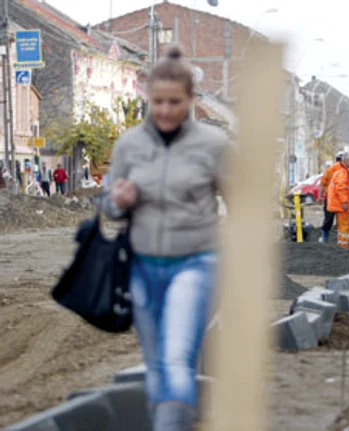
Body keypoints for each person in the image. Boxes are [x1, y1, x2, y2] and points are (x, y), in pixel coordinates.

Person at [102, 44, 229, 431]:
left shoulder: (213, 145)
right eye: (158, 102)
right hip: (142, 266)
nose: (166, 110)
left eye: (175, 101)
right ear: (147, 98)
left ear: (191, 99)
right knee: (158, 361)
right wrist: (117, 201)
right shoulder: (130, 145)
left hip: (195, 262)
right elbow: (109, 207)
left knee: (176, 356)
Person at [327, 153, 349, 248]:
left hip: (343, 205)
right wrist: (345, 202)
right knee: (345, 226)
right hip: (344, 206)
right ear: (346, 161)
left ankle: (342, 243)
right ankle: (344, 244)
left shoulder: (341, 172)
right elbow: (341, 189)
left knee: (343, 226)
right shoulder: (343, 173)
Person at [318, 151, 345, 243]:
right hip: (342, 199)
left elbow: (322, 184)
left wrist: (320, 197)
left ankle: (324, 238)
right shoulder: (347, 170)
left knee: (328, 219)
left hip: (330, 198)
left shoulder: (330, 170)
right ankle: (341, 240)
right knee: (341, 220)